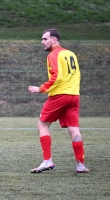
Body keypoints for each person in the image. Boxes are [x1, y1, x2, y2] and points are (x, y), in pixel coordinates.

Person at [28, 29, 89, 173]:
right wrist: (73, 90)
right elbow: (77, 75)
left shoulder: (53, 54)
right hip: (74, 95)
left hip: (59, 96)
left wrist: (41, 89)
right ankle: (80, 165)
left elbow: (56, 76)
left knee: (42, 125)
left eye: (44, 39)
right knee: (74, 129)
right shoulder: (71, 53)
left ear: (54, 40)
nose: (42, 42)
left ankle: (47, 161)